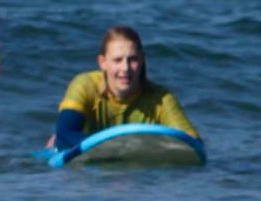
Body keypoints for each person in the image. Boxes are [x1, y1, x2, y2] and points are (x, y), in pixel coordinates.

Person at [50, 26, 198, 149]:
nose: (125, 68)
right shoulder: (85, 85)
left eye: (132, 59)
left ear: (142, 60)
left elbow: (194, 144)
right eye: (117, 60)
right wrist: (118, 148)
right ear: (102, 62)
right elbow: (65, 134)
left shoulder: (162, 99)